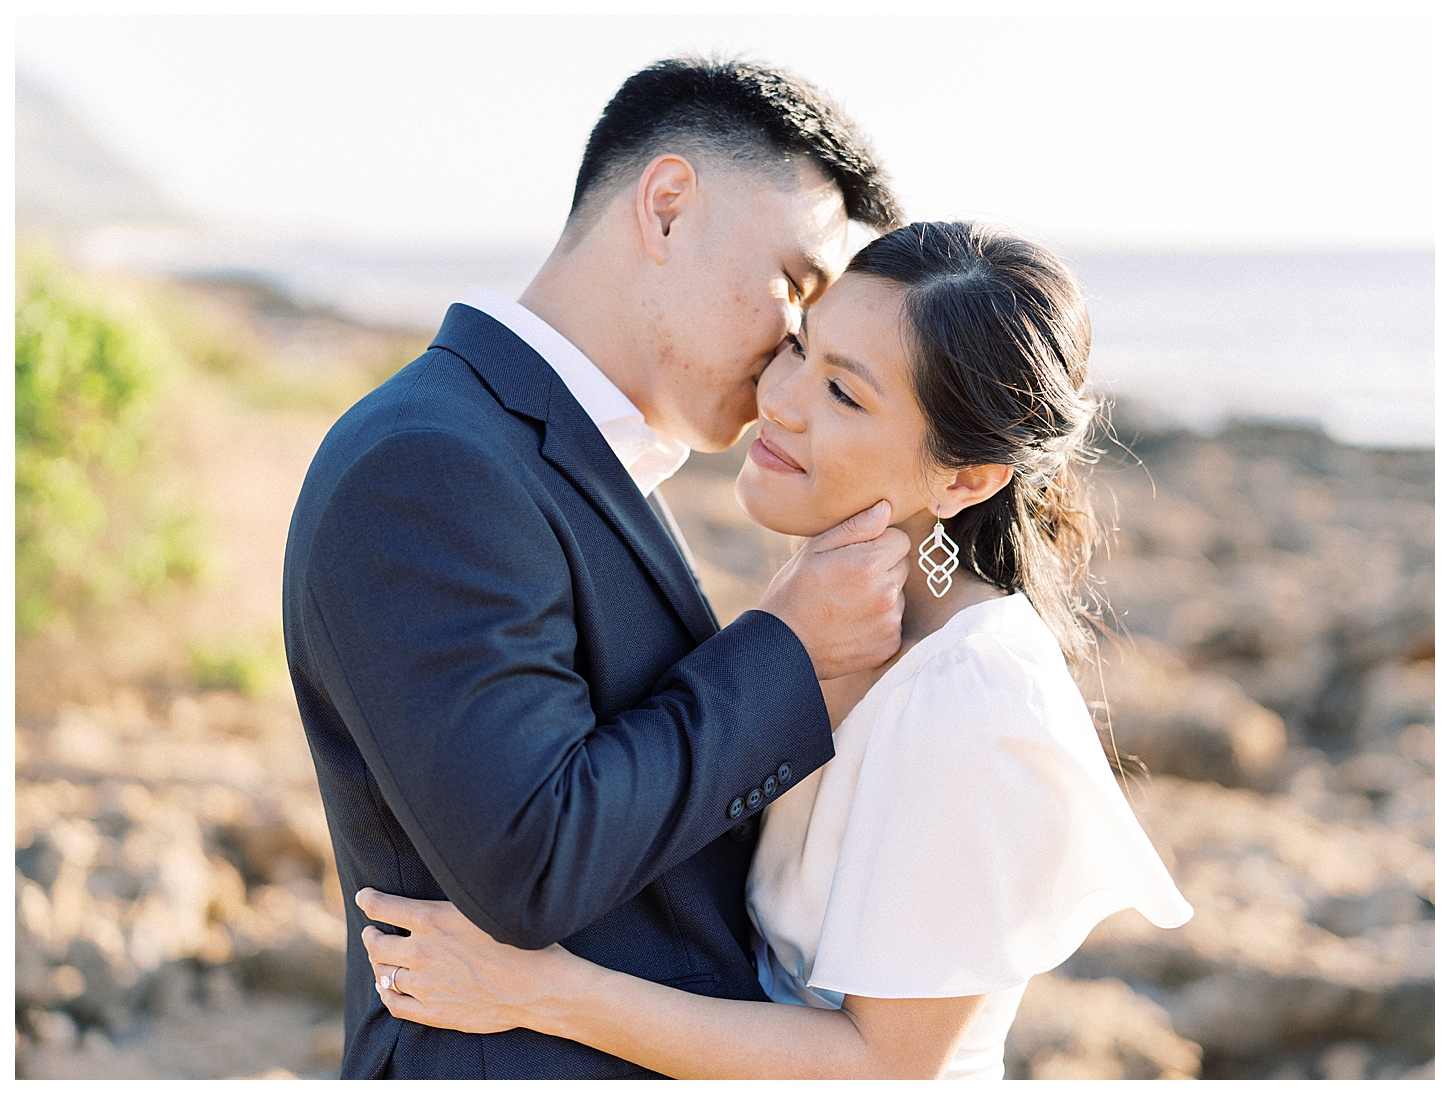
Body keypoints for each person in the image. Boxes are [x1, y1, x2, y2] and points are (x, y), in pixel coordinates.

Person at [354, 220, 1196, 1080]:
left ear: (965, 478)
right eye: (800, 346)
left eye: (845, 394)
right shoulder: (845, 612)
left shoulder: (970, 691)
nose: (782, 397)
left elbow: (882, 1068)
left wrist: (540, 991)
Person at [282, 58, 910, 1079]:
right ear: (666, 208)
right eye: (793, 287)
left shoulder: (551, 452)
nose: (793, 349)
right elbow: (530, 855)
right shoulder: (430, 462)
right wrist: (787, 648)